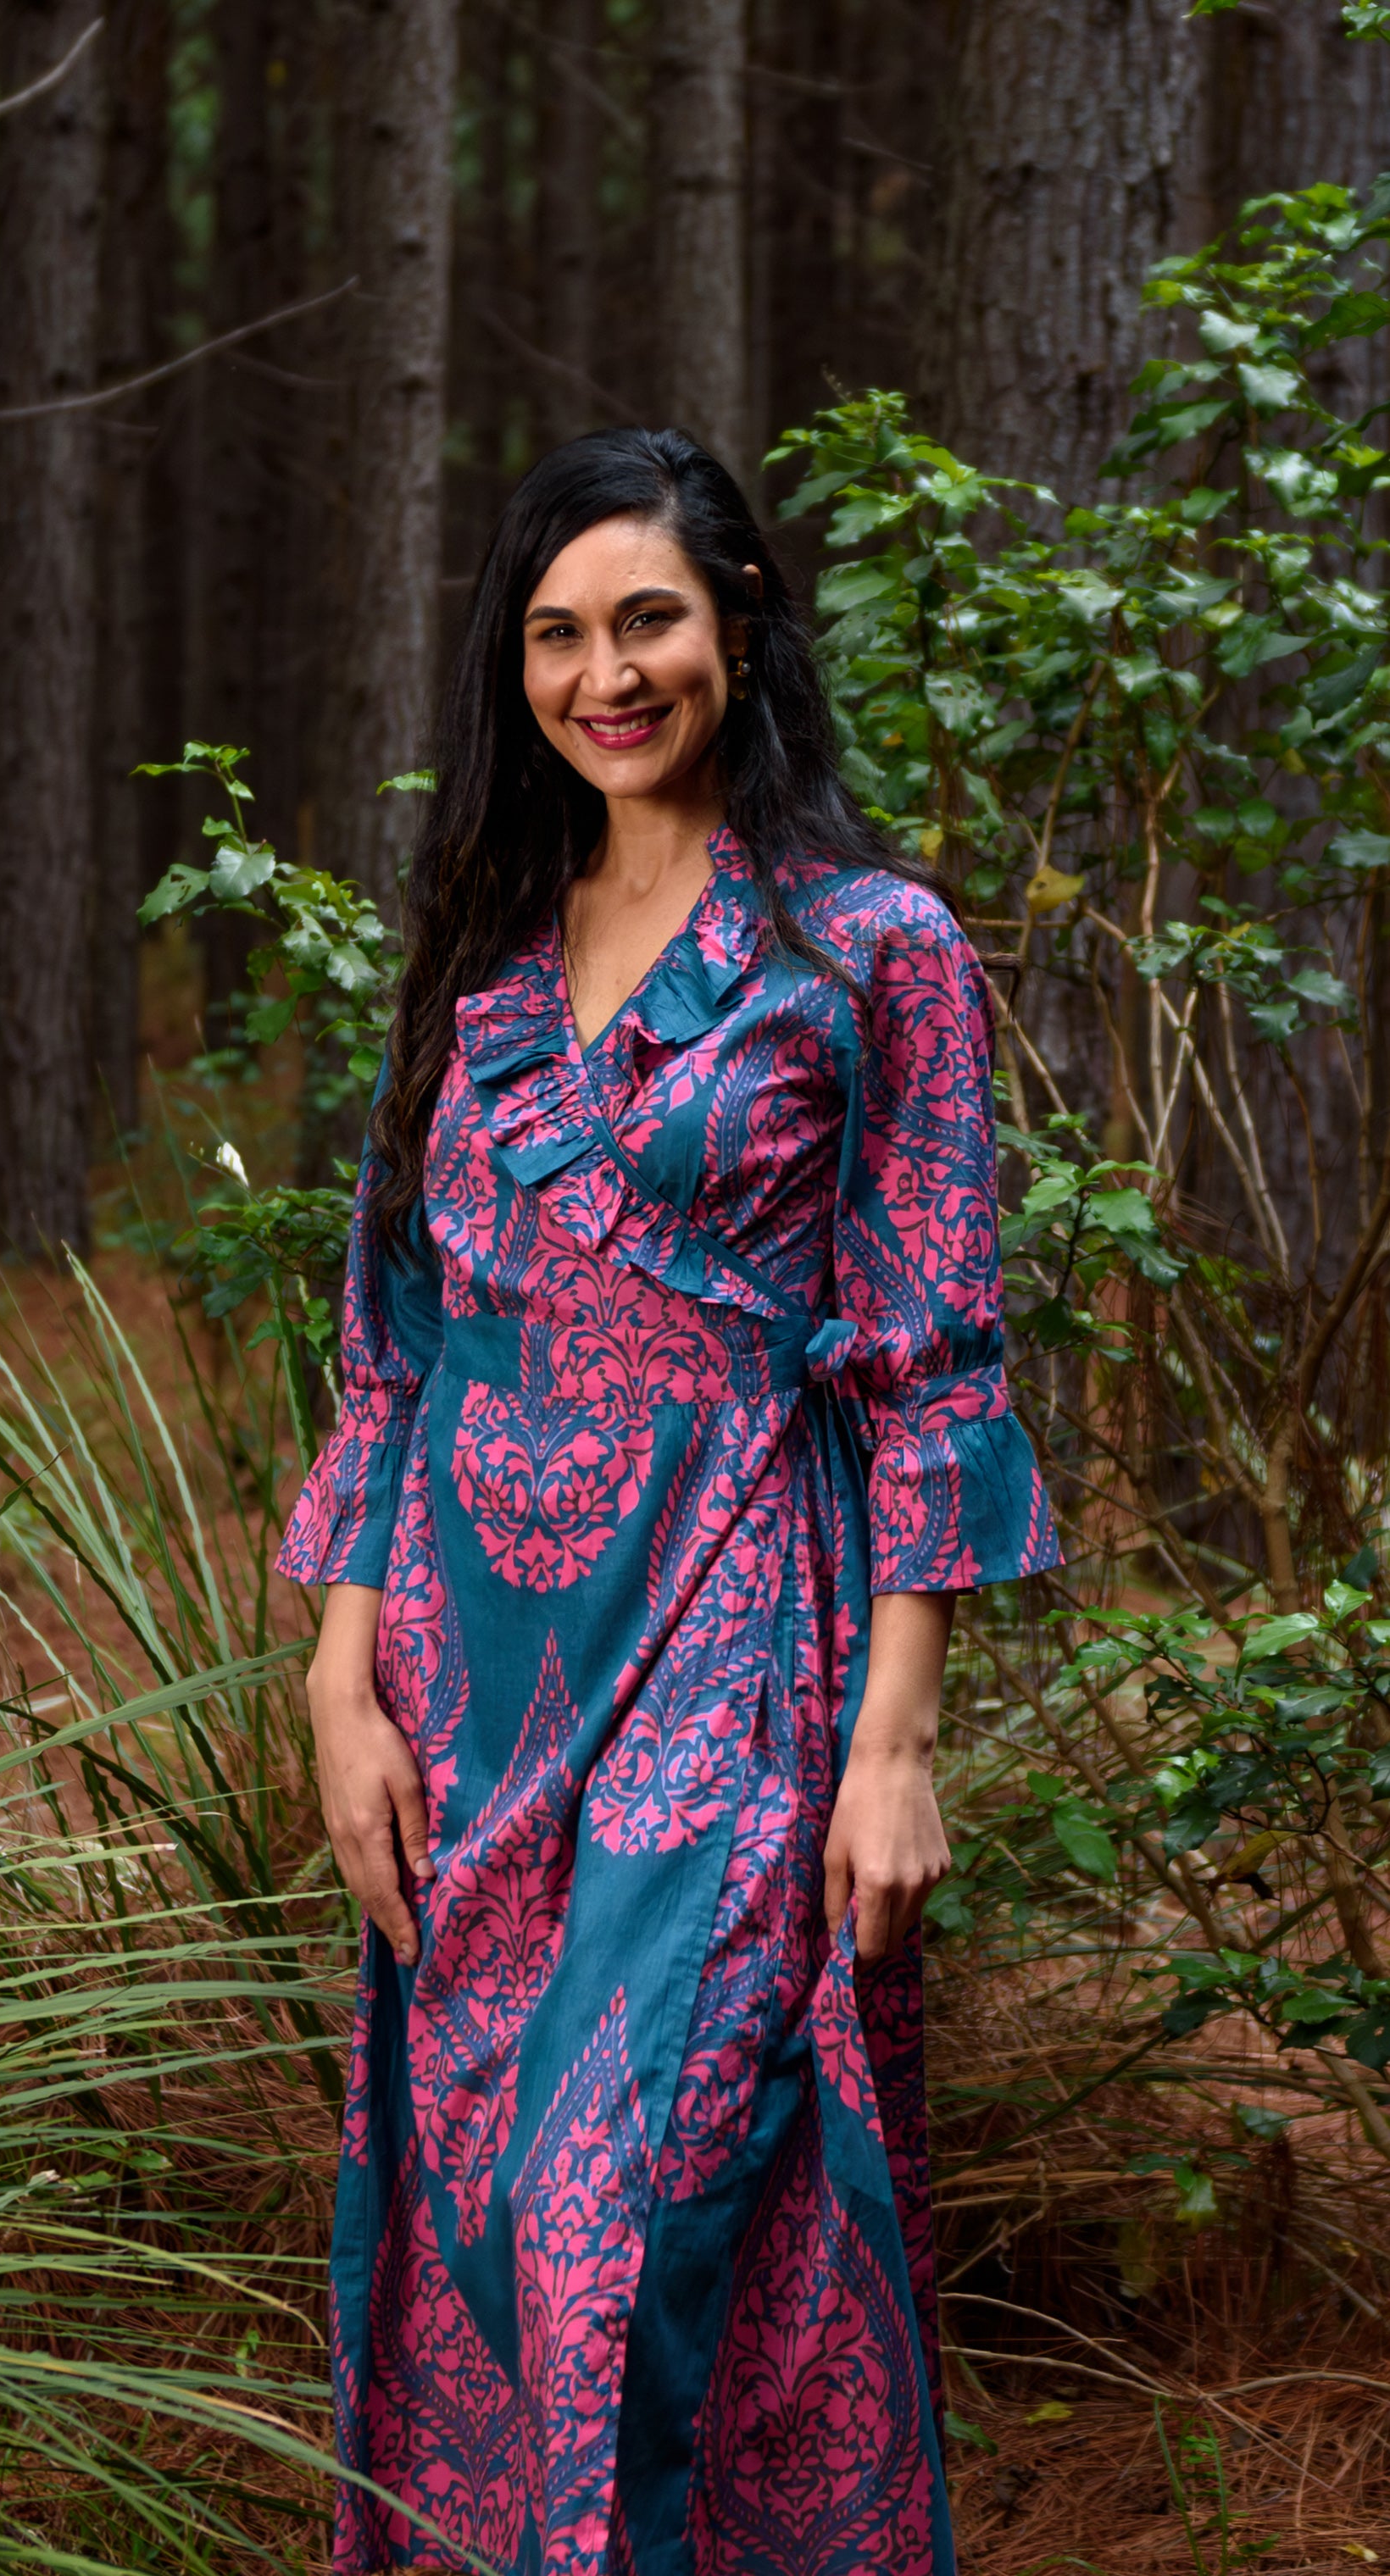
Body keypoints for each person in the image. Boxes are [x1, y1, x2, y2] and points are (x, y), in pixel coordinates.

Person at [277, 426, 1059, 2576]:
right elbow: (393, 1342)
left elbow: (929, 1353)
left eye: (647, 621)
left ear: (739, 623)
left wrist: (894, 1742)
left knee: (615, 2198)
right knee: (474, 2218)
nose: (603, 675)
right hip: (461, 1671)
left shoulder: (871, 947)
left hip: (734, 1629)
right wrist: (338, 1683)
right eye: (556, 635)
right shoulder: (481, 949)